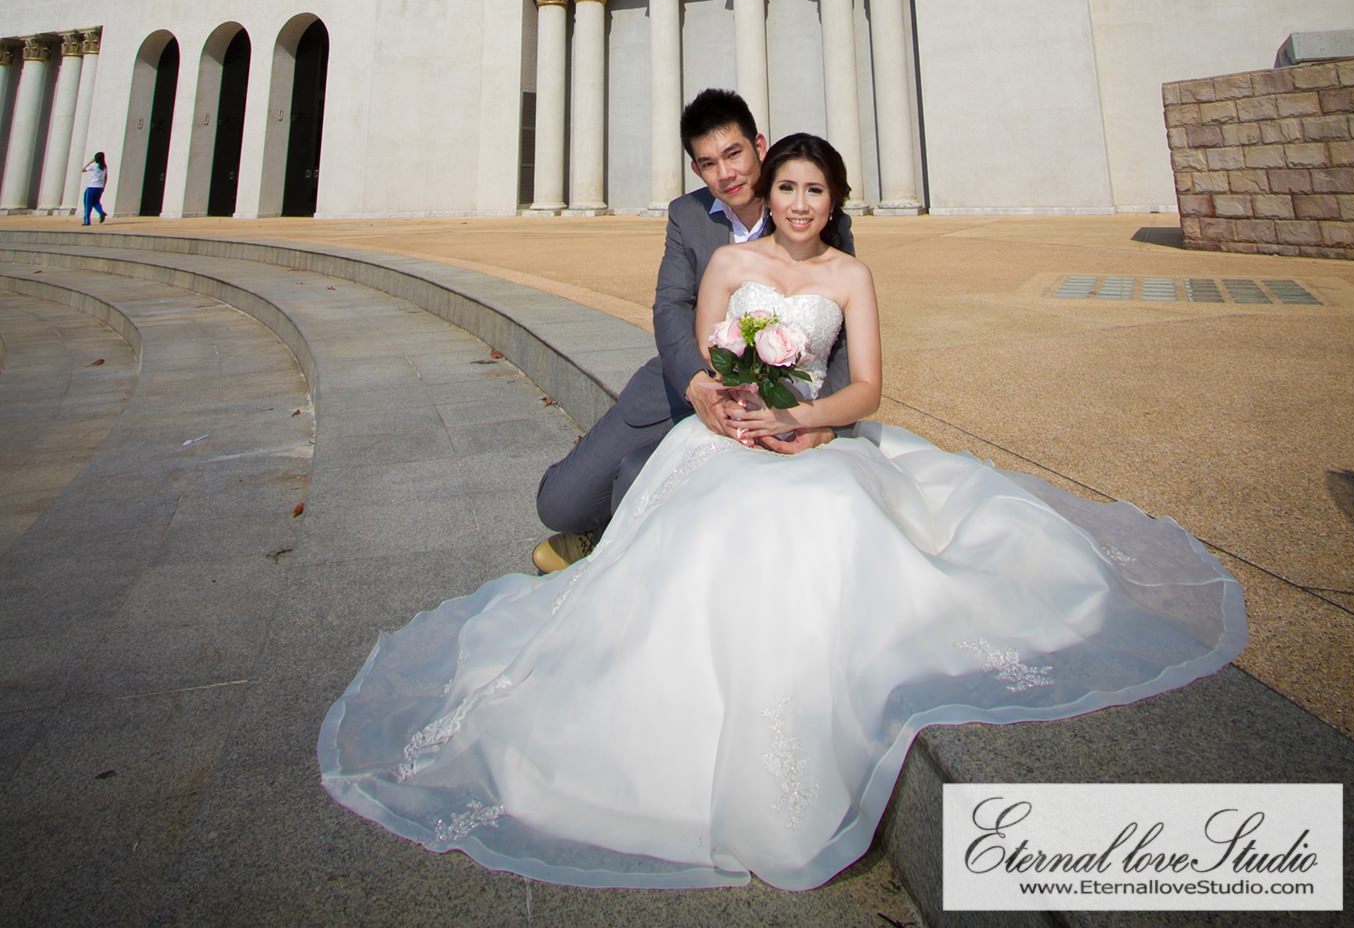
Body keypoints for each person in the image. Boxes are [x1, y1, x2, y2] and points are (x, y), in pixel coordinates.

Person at [319, 132, 1247, 892]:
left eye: (814, 189)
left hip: (806, 433)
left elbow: (868, 387)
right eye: (788, 188)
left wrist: (802, 423)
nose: (798, 202)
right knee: (703, 521)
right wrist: (726, 407)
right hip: (723, 429)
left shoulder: (850, 277)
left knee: (824, 519)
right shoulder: (723, 252)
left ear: (832, 199)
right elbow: (699, 347)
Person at [532, 88, 855, 573]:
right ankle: (603, 514)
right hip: (682, 386)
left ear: (759, 146)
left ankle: (614, 535)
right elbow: (670, 307)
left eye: (734, 154)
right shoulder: (687, 214)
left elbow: (842, 333)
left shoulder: (805, 210)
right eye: (708, 163)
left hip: (776, 403)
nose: (726, 173)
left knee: (638, 474)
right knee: (558, 506)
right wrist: (696, 383)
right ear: (696, 170)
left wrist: (825, 423)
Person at [80, 152, 108, 225]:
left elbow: (83, 170)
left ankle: (87, 220)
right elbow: (106, 177)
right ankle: (101, 212)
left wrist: (90, 162)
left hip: (92, 186)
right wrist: (103, 187)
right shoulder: (104, 167)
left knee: (87, 202)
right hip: (100, 187)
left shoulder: (93, 165)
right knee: (96, 202)